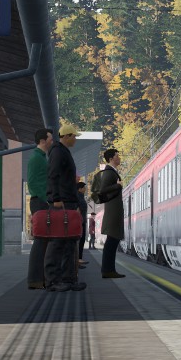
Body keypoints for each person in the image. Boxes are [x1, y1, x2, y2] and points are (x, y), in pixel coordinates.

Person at [45, 121, 85, 291]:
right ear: (67, 136)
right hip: (62, 203)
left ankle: (68, 279)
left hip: (68, 202)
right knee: (58, 242)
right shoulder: (58, 152)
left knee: (69, 241)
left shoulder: (63, 151)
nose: (75, 139)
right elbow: (53, 175)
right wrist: (56, 199)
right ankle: (53, 281)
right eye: (74, 136)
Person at [24, 128, 52, 290]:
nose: (52, 141)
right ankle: (35, 279)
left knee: (43, 241)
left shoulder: (41, 157)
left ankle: (40, 278)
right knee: (40, 241)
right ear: (42, 140)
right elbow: (33, 182)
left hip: (42, 202)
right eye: (50, 139)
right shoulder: (36, 158)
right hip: (40, 202)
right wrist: (45, 199)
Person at [93, 148, 125, 279]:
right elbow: (102, 190)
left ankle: (109, 269)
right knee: (112, 240)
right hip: (113, 211)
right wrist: (118, 186)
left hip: (114, 210)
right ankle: (107, 270)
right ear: (111, 158)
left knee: (113, 240)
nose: (119, 158)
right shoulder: (109, 172)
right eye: (117, 156)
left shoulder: (112, 172)